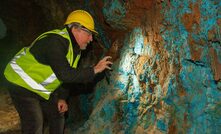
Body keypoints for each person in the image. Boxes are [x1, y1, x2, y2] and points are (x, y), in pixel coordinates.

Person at [4, 10, 112, 134]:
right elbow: (65, 75)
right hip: (19, 82)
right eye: (89, 34)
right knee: (34, 121)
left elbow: (68, 75)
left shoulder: (75, 50)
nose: (91, 39)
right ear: (76, 29)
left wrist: (62, 98)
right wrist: (95, 69)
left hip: (38, 87)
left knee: (58, 115)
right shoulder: (55, 42)